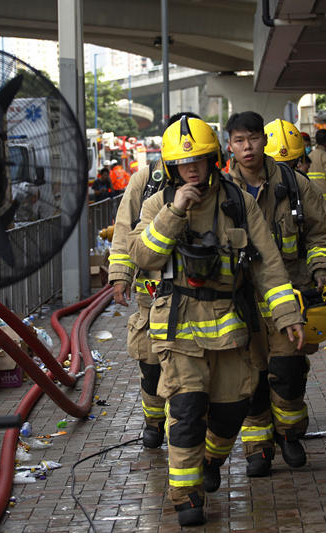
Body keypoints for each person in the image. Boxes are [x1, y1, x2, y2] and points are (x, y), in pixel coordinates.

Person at [128, 116, 305, 526]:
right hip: (178, 329)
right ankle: (186, 497)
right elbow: (143, 256)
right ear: (172, 167)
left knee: (229, 415)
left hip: (229, 329)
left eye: (200, 160)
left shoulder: (237, 203)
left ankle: (212, 459)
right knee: (187, 413)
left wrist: (287, 313)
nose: (192, 169)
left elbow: (268, 266)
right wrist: (174, 213)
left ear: (213, 159)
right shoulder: (159, 204)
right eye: (183, 163)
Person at [226, 112, 326, 478]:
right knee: (252, 379)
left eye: (253, 138)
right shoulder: (222, 191)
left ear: (263, 140)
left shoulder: (295, 184)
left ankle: (289, 434)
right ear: (230, 145)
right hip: (242, 303)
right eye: (239, 140)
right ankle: (258, 446)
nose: (247, 147)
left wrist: (321, 269)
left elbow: (320, 233)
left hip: (289, 297)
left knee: (287, 373)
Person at [108, 112, 202, 450]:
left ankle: (183, 430)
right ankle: (153, 420)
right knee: (150, 362)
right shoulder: (144, 181)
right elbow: (123, 230)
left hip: (195, 292)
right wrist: (120, 275)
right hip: (152, 290)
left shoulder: (214, 185)